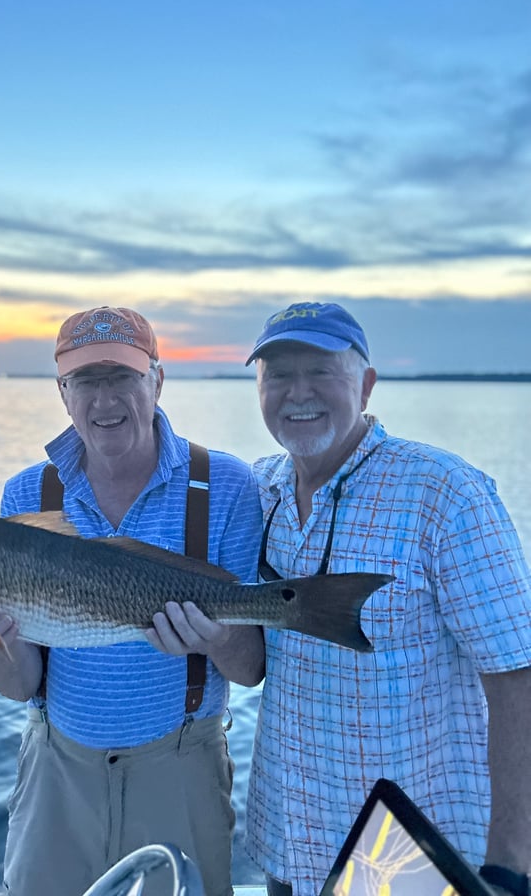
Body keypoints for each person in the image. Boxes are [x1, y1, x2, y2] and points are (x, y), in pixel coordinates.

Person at [0, 305, 265, 896]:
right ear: (63, 393)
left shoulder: (226, 485)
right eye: (86, 381)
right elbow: (18, 685)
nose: (105, 400)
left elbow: (248, 671)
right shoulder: (28, 493)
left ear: (157, 381)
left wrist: (214, 635)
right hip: (56, 771)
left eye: (122, 377)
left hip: (182, 766)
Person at [243, 301, 531, 896]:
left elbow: (516, 674)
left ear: (366, 384)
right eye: (279, 375)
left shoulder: (445, 492)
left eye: (321, 371)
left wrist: (510, 864)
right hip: (289, 839)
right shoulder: (258, 491)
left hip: (407, 852)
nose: (299, 393)